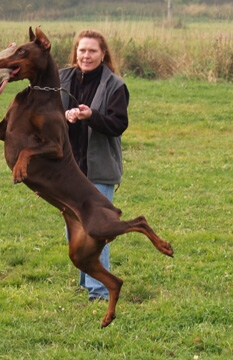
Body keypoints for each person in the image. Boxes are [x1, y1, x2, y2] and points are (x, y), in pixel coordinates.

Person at [59, 30, 130, 302]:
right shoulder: (63, 78)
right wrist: (63, 115)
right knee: (74, 230)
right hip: (69, 171)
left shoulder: (115, 85)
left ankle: (99, 291)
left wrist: (91, 116)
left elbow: (117, 125)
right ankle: (86, 282)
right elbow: (49, 114)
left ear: (103, 55)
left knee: (96, 231)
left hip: (98, 171)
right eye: (82, 50)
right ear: (75, 52)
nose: (86, 56)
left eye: (92, 51)